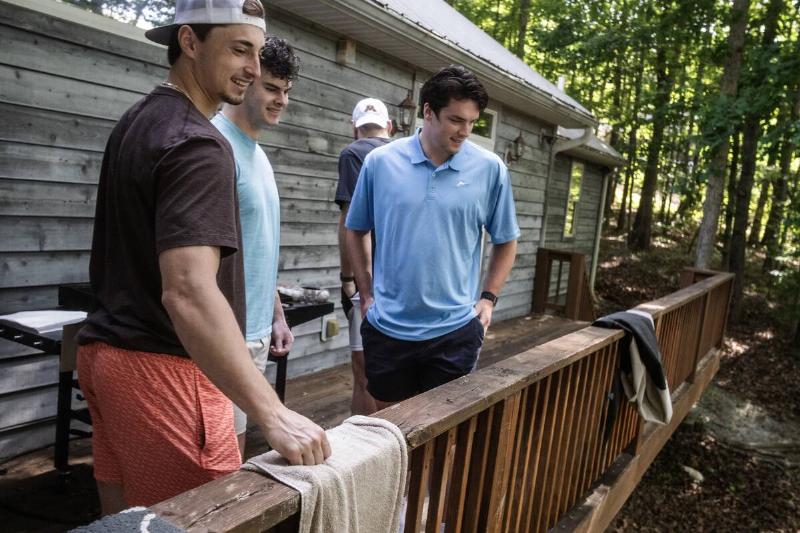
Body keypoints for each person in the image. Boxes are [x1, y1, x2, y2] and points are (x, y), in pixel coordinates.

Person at [75, 0, 330, 514]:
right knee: (201, 519)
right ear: (189, 42)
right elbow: (189, 289)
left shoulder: (137, 120)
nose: (255, 69)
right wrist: (271, 411)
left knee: (125, 522)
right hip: (166, 373)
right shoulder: (198, 142)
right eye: (240, 50)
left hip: (105, 357)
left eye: (257, 53)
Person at [345, 65, 519, 409]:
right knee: (387, 433)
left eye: (472, 122)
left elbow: (506, 239)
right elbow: (356, 228)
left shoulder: (490, 169)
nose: (465, 131)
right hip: (388, 328)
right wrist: (365, 292)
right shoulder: (380, 163)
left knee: (444, 440)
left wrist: (488, 298)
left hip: (454, 332)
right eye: (456, 120)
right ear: (427, 111)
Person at [211, 37, 299, 458]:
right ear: (246, 79)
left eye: (286, 91)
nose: (281, 99)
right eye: (272, 88)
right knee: (217, 462)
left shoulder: (258, 154)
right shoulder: (214, 147)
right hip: (223, 338)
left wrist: (276, 313)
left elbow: (257, 244)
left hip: (256, 331)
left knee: (236, 455)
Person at [335, 98, 393, 415]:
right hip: (400, 278)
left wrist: (350, 279)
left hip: (367, 279)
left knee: (363, 372)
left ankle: (365, 448)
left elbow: (351, 222)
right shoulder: (406, 155)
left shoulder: (353, 154)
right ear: (390, 126)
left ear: (354, 126)